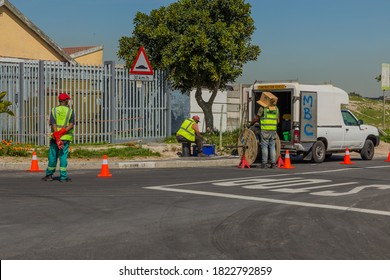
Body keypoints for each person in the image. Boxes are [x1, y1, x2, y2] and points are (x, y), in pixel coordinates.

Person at [42, 93, 75, 182]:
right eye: (68, 100)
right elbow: (71, 125)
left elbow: (53, 124)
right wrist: (62, 132)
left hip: (55, 138)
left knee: (53, 156)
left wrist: (57, 135)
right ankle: (63, 177)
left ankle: (49, 175)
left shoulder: (54, 110)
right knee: (63, 156)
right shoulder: (70, 111)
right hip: (65, 138)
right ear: (66, 101)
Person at [249, 93, 279, 168]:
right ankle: (273, 163)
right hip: (273, 130)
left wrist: (250, 124)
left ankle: (264, 163)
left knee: (264, 146)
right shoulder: (276, 108)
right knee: (272, 146)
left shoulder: (263, 108)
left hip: (265, 129)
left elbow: (256, 118)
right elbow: (278, 120)